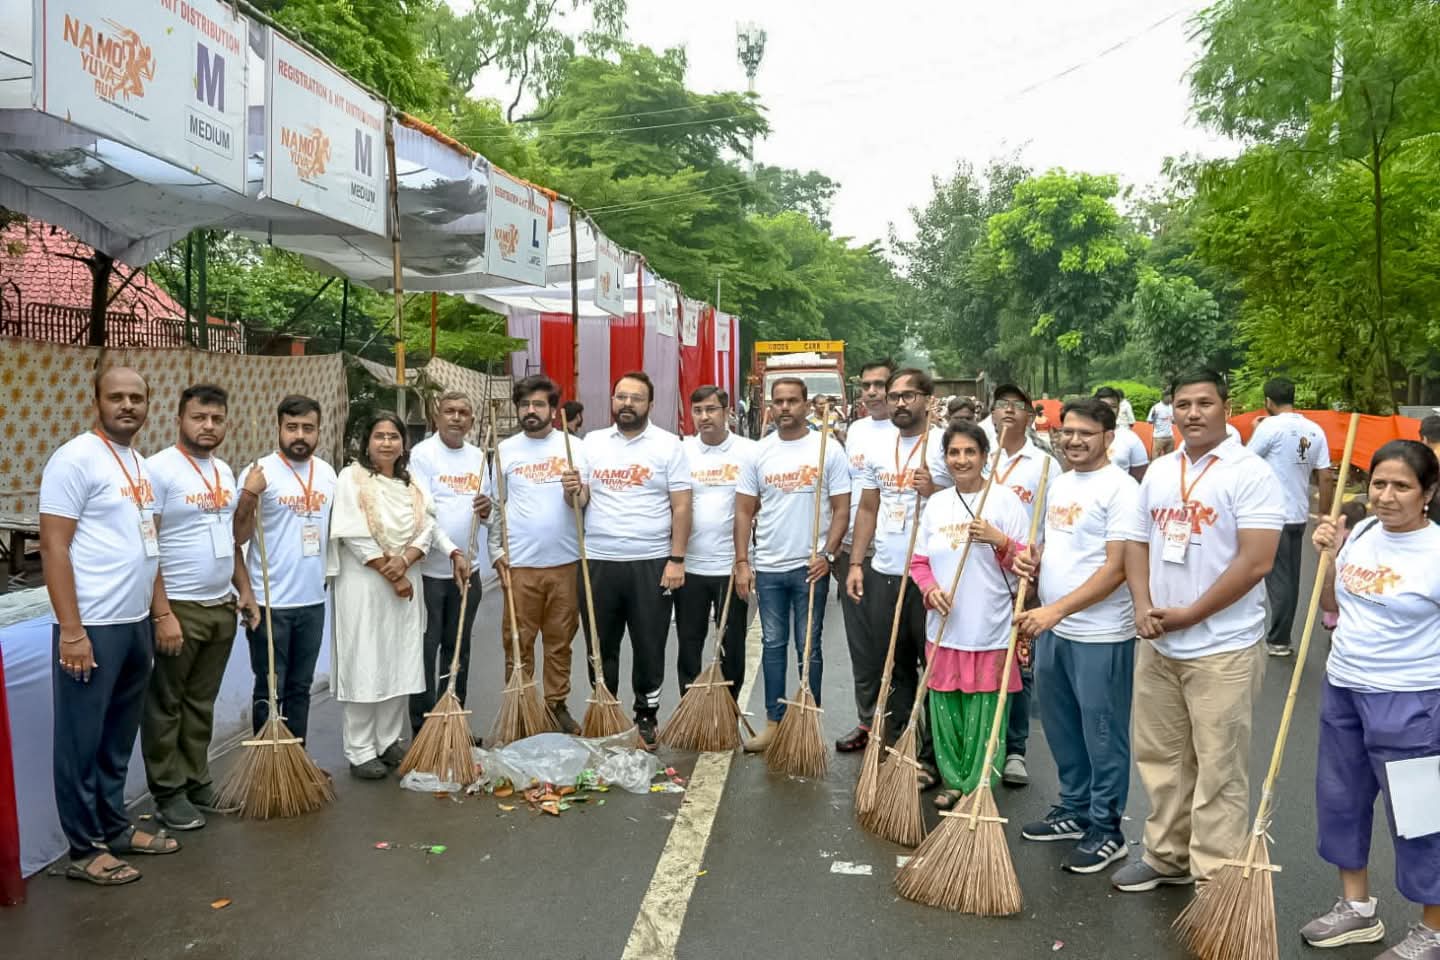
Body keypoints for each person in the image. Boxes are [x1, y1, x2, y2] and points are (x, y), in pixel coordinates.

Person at [1111, 370, 1285, 893]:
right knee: (1161, 759)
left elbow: (1257, 561)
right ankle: (1165, 855)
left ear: (1226, 407)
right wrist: (1143, 604)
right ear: (1171, 410)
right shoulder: (1161, 470)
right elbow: (1137, 542)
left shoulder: (1249, 472)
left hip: (1222, 646)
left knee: (1219, 768)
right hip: (1160, 639)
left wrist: (1192, 613)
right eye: (1182, 403)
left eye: (1204, 403)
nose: (1192, 413)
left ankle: (1216, 875)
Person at [40, 366, 180, 886]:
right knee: (80, 739)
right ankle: (83, 848)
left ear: (149, 403)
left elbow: (150, 546)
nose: (127, 405)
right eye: (116, 396)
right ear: (95, 400)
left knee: (117, 737)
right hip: (92, 625)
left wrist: (159, 611)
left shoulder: (140, 464)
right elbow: (53, 546)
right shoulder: (75, 459)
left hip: (134, 621)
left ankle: (114, 827)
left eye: (137, 397)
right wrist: (71, 631)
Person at [1300, 440, 1440, 959]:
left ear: (1428, 493)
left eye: (1401, 486)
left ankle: (1433, 928)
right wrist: (1330, 559)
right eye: (1378, 483)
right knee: (1341, 800)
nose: (1385, 495)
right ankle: (1356, 909)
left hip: (1411, 701)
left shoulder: (1436, 551)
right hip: (1344, 687)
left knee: (1420, 815)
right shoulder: (1359, 531)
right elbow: (1332, 604)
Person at [1013, 398, 1142, 874]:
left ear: (1108, 437)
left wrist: (1056, 611)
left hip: (1101, 634)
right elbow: (1057, 546)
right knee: (1063, 727)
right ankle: (1074, 807)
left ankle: (1107, 829)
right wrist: (1035, 560)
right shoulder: (1061, 482)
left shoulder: (1122, 489)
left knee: (1103, 733)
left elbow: (1116, 569)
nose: (1073, 441)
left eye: (1085, 433)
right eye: (1066, 432)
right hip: (1055, 628)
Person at [141, 384, 261, 832]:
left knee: (200, 702)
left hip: (219, 606)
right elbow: (147, 546)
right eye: (199, 417)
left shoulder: (223, 471)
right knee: (166, 703)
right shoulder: (159, 470)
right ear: (179, 419)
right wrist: (162, 613)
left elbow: (230, 540)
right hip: (179, 606)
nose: (208, 426)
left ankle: (196, 779)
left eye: (216, 419)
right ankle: (168, 792)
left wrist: (244, 590)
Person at [327, 413, 466, 779]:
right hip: (364, 584)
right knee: (365, 659)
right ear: (366, 441)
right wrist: (392, 574)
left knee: (399, 659)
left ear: (403, 443)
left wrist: (406, 561)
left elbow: (427, 528)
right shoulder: (351, 478)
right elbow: (353, 534)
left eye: (393, 436)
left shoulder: (412, 482)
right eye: (379, 436)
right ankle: (359, 751)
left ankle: (388, 741)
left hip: (407, 578)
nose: (386, 442)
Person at [909, 422, 1031, 810]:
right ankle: (953, 779)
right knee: (947, 711)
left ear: (984, 456)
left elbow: (1028, 565)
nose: (961, 460)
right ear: (945, 459)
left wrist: (1001, 541)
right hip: (945, 628)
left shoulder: (1006, 501)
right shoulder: (938, 504)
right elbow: (919, 563)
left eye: (969, 452)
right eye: (954, 453)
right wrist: (931, 590)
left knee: (986, 713)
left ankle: (978, 784)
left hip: (991, 627)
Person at [569, 371, 692, 745]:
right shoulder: (591, 443)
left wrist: (676, 559)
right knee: (600, 644)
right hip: (599, 560)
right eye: (620, 396)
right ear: (612, 401)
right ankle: (605, 711)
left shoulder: (669, 445)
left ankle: (645, 714)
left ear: (650, 405)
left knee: (649, 643)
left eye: (636, 398)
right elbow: (581, 501)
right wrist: (573, 492)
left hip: (651, 560)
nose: (627, 404)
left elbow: (683, 506)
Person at [735, 377, 851, 752]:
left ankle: (806, 723)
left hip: (809, 568)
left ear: (805, 405)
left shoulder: (827, 450)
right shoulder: (758, 452)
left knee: (808, 648)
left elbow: (842, 508)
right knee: (773, 645)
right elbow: (743, 510)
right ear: (771, 405)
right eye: (779, 401)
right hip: (769, 566)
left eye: (792, 401)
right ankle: (773, 722)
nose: (785, 407)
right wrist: (742, 561)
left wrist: (828, 555)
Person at [846, 368, 949, 786]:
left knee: (936, 669)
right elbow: (867, 508)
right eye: (894, 397)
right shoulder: (879, 447)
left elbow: (974, 501)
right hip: (886, 569)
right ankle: (902, 747)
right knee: (896, 665)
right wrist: (856, 563)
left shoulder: (945, 446)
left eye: (909, 396)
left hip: (931, 575)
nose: (900, 403)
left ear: (927, 399)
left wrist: (936, 490)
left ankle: (935, 757)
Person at [234, 395, 338, 750]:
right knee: (269, 687)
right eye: (291, 427)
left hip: (312, 600)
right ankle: (267, 761)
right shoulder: (259, 472)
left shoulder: (327, 473)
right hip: (269, 601)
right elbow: (237, 536)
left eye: (308, 428)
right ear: (278, 428)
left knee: (299, 687)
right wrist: (249, 495)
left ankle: (296, 758)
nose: (300, 435)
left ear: (318, 431)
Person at [487, 375, 588, 734]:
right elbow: (496, 507)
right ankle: (521, 708)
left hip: (565, 562)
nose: (531, 411)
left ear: (553, 409)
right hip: (520, 565)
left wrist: (573, 492)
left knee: (560, 641)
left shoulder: (572, 447)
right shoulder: (505, 450)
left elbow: (583, 502)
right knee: (518, 642)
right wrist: (496, 550)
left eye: (539, 404)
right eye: (525, 405)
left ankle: (555, 705)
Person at [986, 383, 1061, 786]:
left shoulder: (1044, 464)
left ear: (1031, 416)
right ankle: (981, 743)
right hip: (975, 577)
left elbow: (1051, 523)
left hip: (1021, 575)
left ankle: (1016, 749)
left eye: (1018, 406)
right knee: (973, 659)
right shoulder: (973, 452)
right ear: (992, 412)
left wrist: (1034, 575)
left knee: (1018, 664)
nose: (1009, 411)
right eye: (1002, 405)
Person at [408, 391, 490, 737]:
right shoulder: (422, 454)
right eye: (449, 412)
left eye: (464, 413)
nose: (456, 418)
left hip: (468, 572)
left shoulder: (479, 458)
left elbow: (487, 513)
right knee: (427, 648)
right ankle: (424, 726)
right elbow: (422, 513)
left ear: (472, 421)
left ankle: (453, 720)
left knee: (459, 647)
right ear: (437, 417)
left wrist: (487, 510)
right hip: (430, 572)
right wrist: (450, 550)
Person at [831, 358, 897, 753]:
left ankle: (904, 728)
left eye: (880, 385)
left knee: (898, 648)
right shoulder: (854, 431)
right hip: (853, 551)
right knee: (862, 645)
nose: (872, 392)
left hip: (895, 553)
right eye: (866, 385)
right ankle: (868, 721)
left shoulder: (911, 433)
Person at [676, 386, 758, 699]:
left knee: (732, 644)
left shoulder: (749, 451)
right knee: (689, 642)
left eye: (711, 409)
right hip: (691, 566)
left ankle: (729, 706)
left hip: (731, 566)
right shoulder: (682, 450)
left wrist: (744, 563)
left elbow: (756, 504)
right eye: (697, 411)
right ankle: (690, 705)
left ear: (727, 413)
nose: (704, 417)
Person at [1248, 377, 1333, 657]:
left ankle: (1278, 638)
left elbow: (1245, 463)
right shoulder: (1315, 429)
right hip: (1297, 513)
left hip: (1272, 515)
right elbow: (1325, 475)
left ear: (1268, 402)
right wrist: (1324, 514)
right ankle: (1278, 635)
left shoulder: (1269, 427)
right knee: (1290, 578)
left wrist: (1255, 430)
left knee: (1275, 578)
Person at [1095, 386, 1150, 483]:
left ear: (1119, 409)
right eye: (1103, 406)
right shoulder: (1083, 436)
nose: (1109, 410)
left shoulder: (1131, 439)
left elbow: (1139, 477)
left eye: (1113, 406)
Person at [1148, 390, 1175, 457]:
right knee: (1156, 458)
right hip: (1159, 438)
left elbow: (1173, 421)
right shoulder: (1156, 407)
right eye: (1171, 397)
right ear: (1165, 397)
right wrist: (1153, 416)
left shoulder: (1171, 407)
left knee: (1169, 458)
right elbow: (1149, 421)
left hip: (1170, 437)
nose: (1172, 398)